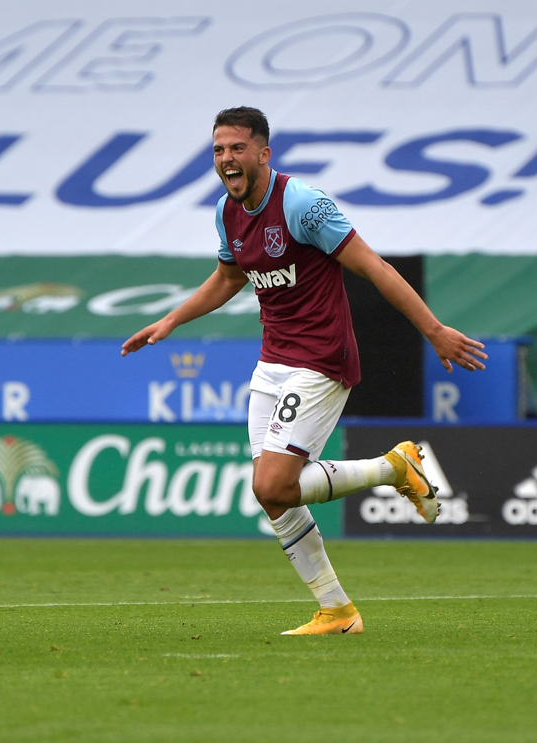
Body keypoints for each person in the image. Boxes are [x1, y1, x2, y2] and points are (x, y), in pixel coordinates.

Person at [121, 106, 487, 635]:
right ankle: (338, 611)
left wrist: (433, 330)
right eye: (219, 149)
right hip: (272, 363)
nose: (227, 158)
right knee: (271, 494)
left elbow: (375, 266)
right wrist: (171, 320)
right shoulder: (228, 211)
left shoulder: (303, 205)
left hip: (320, 361)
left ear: (263, 153)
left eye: (238, 148)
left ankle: (394, 469)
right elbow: (228, 279)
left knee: (274, 483)